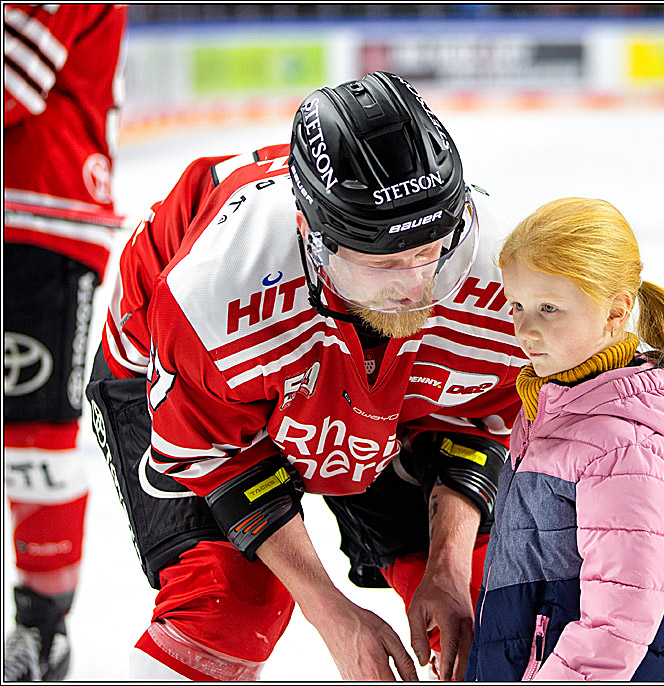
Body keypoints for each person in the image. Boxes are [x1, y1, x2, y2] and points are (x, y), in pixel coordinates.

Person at [84, 71, 527, 680]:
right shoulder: (213, 292)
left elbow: (480, 413)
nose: (415, 285)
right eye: (384, 263)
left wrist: (446, 569)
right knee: (229, 607)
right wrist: (332, 614)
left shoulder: (498, 269)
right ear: (312, 239)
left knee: (491, 598)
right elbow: (213, 452)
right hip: (195, 381)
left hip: (324, 368)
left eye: (431, 253)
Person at [464, 197, 664, 681]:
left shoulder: (620, 446)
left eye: (549, 309)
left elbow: (619, 621)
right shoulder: (559, 407)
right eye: (518, 306)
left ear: (616, 313)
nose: (525, 329)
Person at [4, 4, 127, 681]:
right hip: (29, 214)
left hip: (37, 216)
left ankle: (41, 628)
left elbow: (12, 82)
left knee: (32, 436)